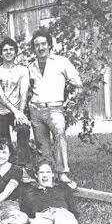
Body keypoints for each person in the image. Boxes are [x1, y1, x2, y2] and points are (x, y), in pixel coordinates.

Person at [27, 29, 83, 188]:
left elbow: (78, 83)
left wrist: (68, 102)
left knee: (59, 137)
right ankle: (47, 174)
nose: (40, 47)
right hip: (36, 110)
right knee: (42, 144)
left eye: (43, 43)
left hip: (55, 109)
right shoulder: (31, 66)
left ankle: (63, 173)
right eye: (37, 45)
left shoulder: (61, 62)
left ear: (49, 45)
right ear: (34, 48)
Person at [19, 159, 86, 224]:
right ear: (36, 175)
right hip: (42, 215)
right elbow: (25, 210)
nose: (45, 175)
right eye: (41, 172)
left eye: (48, 172)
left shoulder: (62, 188)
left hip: (61, 212)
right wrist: (32, 220)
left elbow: (73, 209)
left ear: (53, 174)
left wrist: (71, 218)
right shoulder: (29, 191)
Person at [0, 37, 31, 166]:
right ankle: (7, 168)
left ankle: (23, 167)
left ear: (15, 52)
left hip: (17, 111)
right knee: (3, 142)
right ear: (1, 54)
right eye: (5, 50)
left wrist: (21, 113)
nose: (8, 52)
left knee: (23, 130)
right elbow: (0, 95)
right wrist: (16, 111)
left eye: (11, 49)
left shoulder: (22, 70)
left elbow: (23, 92)